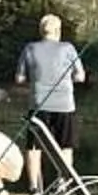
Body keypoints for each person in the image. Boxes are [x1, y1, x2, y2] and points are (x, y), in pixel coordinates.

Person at [16, 13, 87, 161]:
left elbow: (19, 78)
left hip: (38, 104)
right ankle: (65, 182)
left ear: (41, 31)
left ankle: (34, 184)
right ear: (58, 31)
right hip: (64, 105)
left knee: (34, 147)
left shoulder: (30, 48)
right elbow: (80, 77)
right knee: (66, 146)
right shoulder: (68, 48)